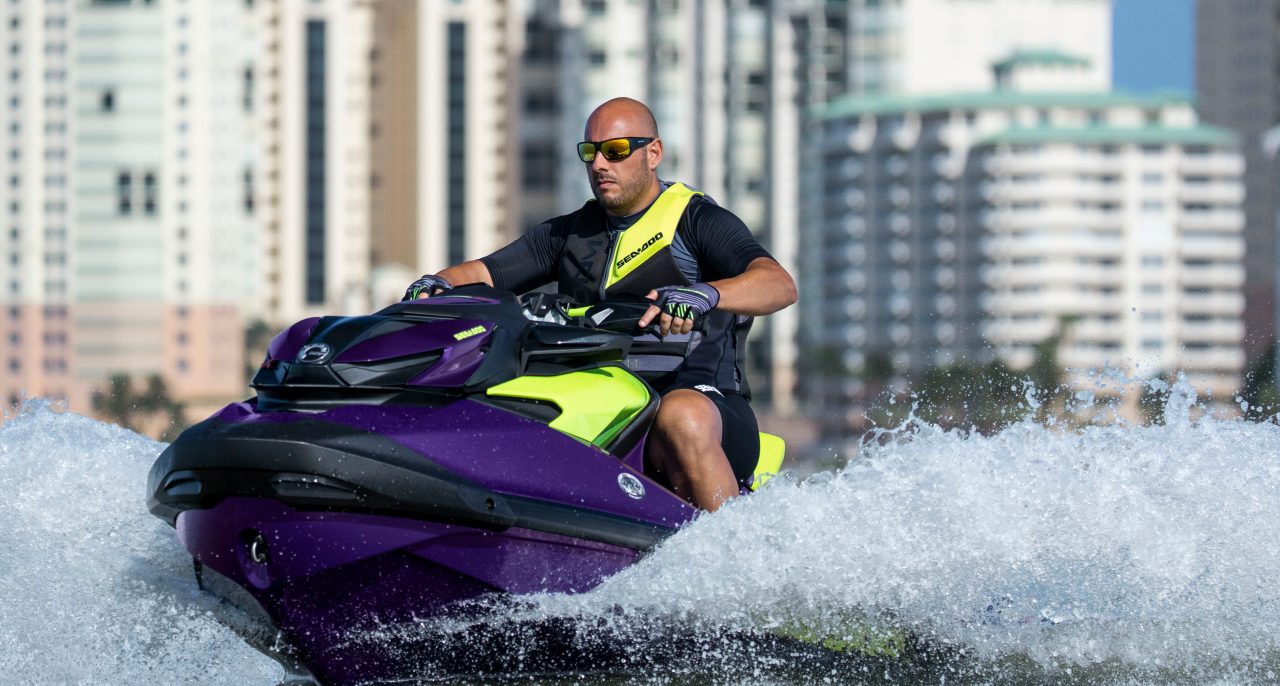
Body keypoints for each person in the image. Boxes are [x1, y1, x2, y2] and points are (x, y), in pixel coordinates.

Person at [403, 97, 796, 511]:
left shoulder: (697, 220)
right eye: (590, 152)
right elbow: (485, 272)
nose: (599, 164)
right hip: (604, 402)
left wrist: (704, 294)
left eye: (616, 150)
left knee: (681, 415)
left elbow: (779, 284)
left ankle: (733, 547)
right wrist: (437, 283)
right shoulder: (569, 233)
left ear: (653, 153)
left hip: (704, 404)